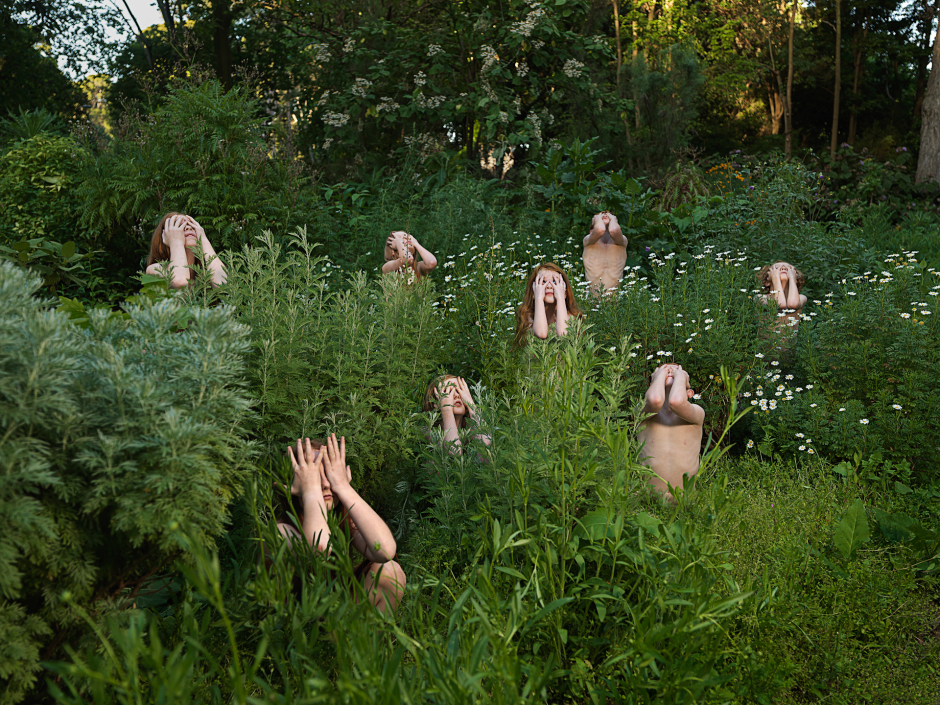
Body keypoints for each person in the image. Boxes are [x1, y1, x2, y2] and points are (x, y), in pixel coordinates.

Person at [277, 433, 406, 614]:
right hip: (299, 629)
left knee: (389, 571)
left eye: (328, 473)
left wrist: (344, 487)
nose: (324, 483)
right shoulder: (281, 531)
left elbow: (384, 550)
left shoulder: (341, 521)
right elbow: (319, 549)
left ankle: (367, 641)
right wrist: (311, 491)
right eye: (313, 475)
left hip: (337, 618)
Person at [637, 364, 705, 503]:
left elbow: (677, 402)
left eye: (675, 372)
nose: (670, 372)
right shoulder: (641, 413)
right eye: (664, 370)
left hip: (685, 501)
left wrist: (680, 376)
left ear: (689, 393)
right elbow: (655, 400)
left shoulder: (696, 413)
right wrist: (661, 377)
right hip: (649, 501)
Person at [146, 212, 226, 288]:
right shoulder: (154, 269)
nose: (188, 227)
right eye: (179, 226)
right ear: (165, 236)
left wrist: (204, 240)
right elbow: (180, 282)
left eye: (191, 225)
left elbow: (225, 284)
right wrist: (176, 242)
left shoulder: (205, 273)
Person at [514, 263, 584, 346]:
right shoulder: (529, 315)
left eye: (555, 282)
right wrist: (539, 298)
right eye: (542, 282)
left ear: (564, 292)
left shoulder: (571, 316)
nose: (549, 286)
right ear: (533, 291)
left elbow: (563, 335)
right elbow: (541, 334)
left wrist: (560, 298)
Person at [423, 375, 492, 451]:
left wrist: (470, 403)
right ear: (435, 404)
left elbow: (486, 445)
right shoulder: (428, 432)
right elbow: (453, 451)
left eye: (460, 390)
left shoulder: (470, 431)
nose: (456, 395)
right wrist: (446, 409)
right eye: (448, 391)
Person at [582, 211, 627, 296]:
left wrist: (613, 218)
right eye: (600, 215)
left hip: (614, 304)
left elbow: (614, 230)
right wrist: (598, 218)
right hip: (592, 303)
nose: (604, 215)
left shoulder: (622, 241)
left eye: (608, 215)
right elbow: (600, 230)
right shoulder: (588, 241)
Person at [758, 261, 807, 337]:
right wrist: (776, 278)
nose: (784, 268)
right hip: (765, 349)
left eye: (789, 269)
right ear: (767, 282)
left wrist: (792, 278)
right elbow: (780, 304)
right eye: (777, 268)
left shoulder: (801, 298)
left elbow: (793, 304)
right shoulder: (760, 298)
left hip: (791, 349)